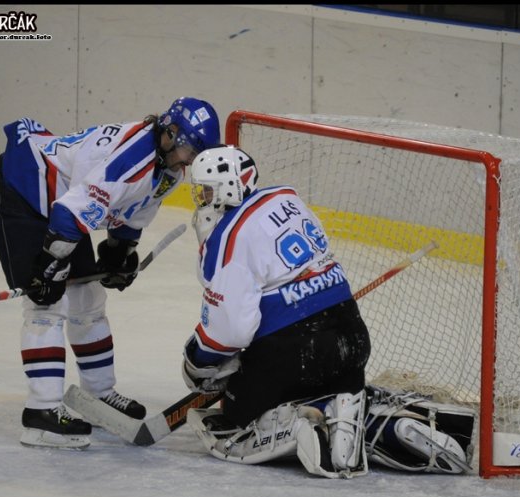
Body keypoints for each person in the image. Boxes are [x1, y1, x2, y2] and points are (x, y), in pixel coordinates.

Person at [181, 145, 476, 478]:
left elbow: (231, 330)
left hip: (296, 353)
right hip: (353, 338)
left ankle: (314, 418)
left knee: (238, 413)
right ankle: (382, 422)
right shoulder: (288, 200)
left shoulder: (229, 235)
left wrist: (199, 360)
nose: (203, 200)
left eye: (207, 191)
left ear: (229, 188)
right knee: (339, 398)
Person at [0, 97, 221, 449]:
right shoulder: (131, 160)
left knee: (88, 299)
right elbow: (71, 214)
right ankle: (40, 413)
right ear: (169, 133)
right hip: (22, 192)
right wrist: (49, 266)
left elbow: (133, 210)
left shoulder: (169, 168)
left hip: (61, 204)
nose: (190, 159)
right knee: (46, 303)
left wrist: (119, 251)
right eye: (189, 149)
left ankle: (98, 393)